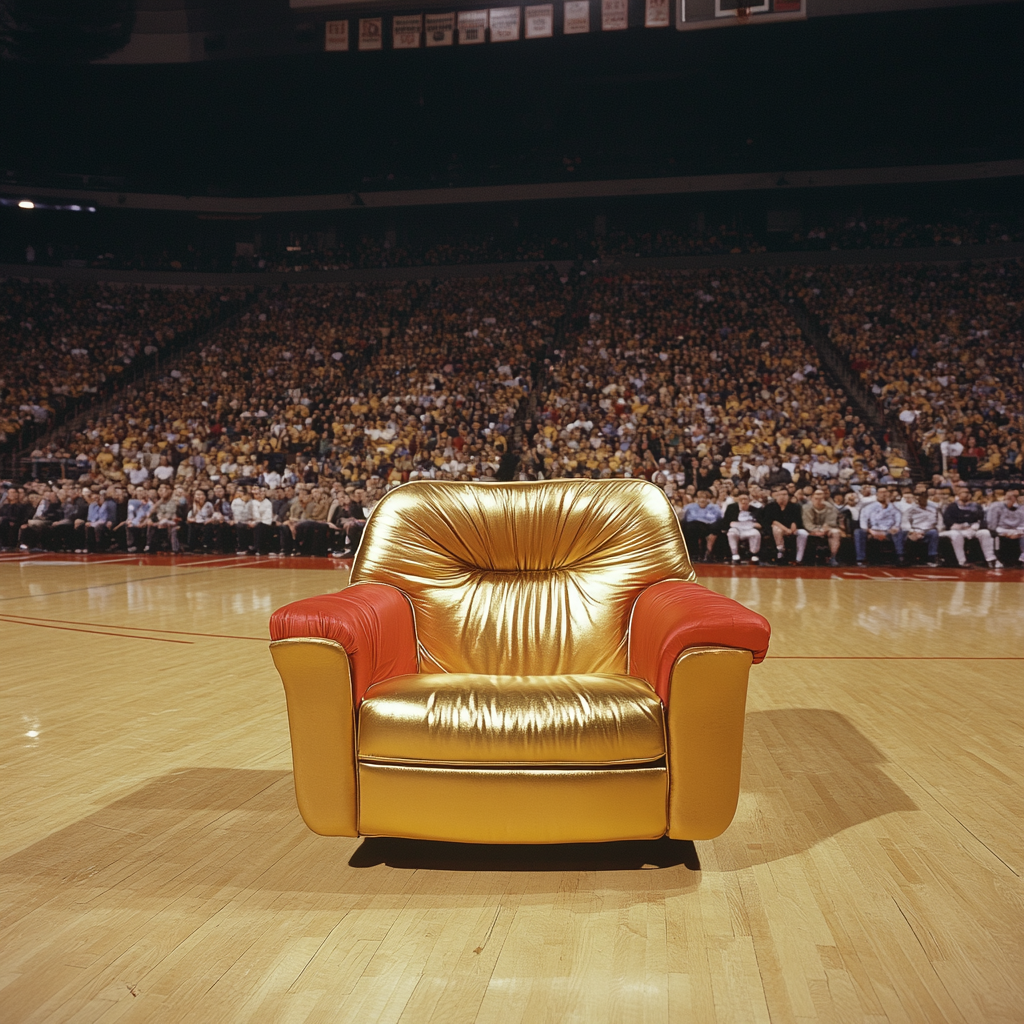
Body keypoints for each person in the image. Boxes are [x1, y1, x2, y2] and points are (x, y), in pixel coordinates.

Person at [941, 487, 996, 568]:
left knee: (985, 533)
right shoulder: (952, 507)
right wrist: (959, 526)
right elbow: (947, 521)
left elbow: (982, 520)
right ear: (958, 495)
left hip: (971, 529)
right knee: (956, 535)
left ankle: (990, 560)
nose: (967, 494)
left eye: (968, 492)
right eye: (964, 492)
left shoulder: (976, 506)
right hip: (956, 529)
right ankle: (962, 561)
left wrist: (976, 526)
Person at [855, 486, 904, 565]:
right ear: (877, 494)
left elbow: (898, 521)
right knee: (858, 532)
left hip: (888, 531)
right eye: (881, 492)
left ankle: (900, 557)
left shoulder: (895, 507)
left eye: (885, 492)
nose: (883, 494)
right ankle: (861, 559)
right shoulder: (868, 507)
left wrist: (895, 528)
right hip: (873, 531)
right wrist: (872, 532)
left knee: (899, 531)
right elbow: (863, 524)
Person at [762, 487, 807, 564]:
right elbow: (772, 522)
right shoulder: (770, 506)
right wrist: (786, 530)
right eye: (779, 494)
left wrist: (794, 525)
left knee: (803, 533)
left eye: (784, 494)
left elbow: (797, 520)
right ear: (776, 496)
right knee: (777, 529)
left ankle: (799, 559)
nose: (782, 496)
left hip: (791, 529)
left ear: (788, 496)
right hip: (776, 530)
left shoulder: (795, 506)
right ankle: (780, 553)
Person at [801, 488, 841, 566]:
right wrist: (818, 529)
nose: (818, 500)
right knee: (805, 533)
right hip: (811, 529)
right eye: (816, 498)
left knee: (836, 533)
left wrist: (825, 529)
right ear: (812, 498)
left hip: (826, 528)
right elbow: (807, 524)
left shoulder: (831, 507)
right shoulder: (806, 508)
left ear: (824, 498)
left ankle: (833, 557)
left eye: (821, 498)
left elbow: (831, 522)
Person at [901, 491, 941, 567]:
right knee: (904, 534)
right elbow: (905, 521)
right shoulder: (910, 509)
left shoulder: (934, 508)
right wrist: (912, 531)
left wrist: (924, 531)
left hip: (929, 529)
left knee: (934, 533)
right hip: (914, 529)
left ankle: (932, 557)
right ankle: (906, 558)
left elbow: (936, 521)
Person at [681, 490, 723, 563]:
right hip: (693, 526)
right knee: (689, 527)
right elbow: (683, 517)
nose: (702, 499)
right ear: (696, 499)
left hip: (709, 526)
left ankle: (708, 552)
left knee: (716, 526)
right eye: (700, 498)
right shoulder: (689, 507)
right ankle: (694, 554)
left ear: (708, 499)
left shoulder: (714, 507)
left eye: (704, 498)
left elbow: (719, 518)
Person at [986, 489, 1023, 568]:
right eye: (1009, 497)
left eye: (1014, 497)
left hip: (1017, 530)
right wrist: (1004, 533)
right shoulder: (996, 506)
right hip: (1001, 529)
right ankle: (996, 560)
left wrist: (1018, 532)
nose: (1012, 499)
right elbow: (992, 524)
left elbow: (1022, 523)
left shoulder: (1021, 508)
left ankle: (1022, 559)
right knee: (991, 534)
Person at [723, 492, 762, 564]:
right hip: (736, 529)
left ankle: (754, 554)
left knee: (756, 533)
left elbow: (760, 524)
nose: (743, 501)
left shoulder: (756, 509)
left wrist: (755, 524)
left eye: (745, 499)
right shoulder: (731, 508)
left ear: (749, 500)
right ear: (738, 500)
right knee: (731, 532)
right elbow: (726, 522)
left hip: (749, 529)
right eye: (741, 499)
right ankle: (735, 554)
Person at [144, 484, 181, 553]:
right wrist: (151, 519)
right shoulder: (159, 502)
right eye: (160, 490)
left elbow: (169, 515)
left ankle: (174, 548)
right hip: (160, 521)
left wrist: (158, 522)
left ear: (170, 491)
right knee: (150, 523)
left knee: (169, 526)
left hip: (173, 521)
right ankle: (149, 545)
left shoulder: (174, 501)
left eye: (164, 490)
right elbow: (151, 513)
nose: (161, 492)